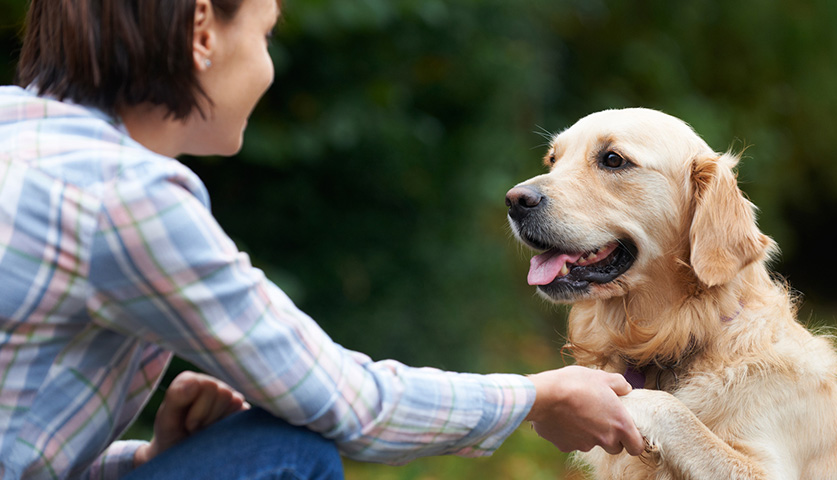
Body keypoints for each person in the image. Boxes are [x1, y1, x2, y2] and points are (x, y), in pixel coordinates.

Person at [0, 0, 645, 478]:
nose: (268, 68)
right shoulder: (125, 195)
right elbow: (347, 402)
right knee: (287, 450)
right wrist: (536, 397)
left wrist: (146, 460)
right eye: (264, 33)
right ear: (202, 30)